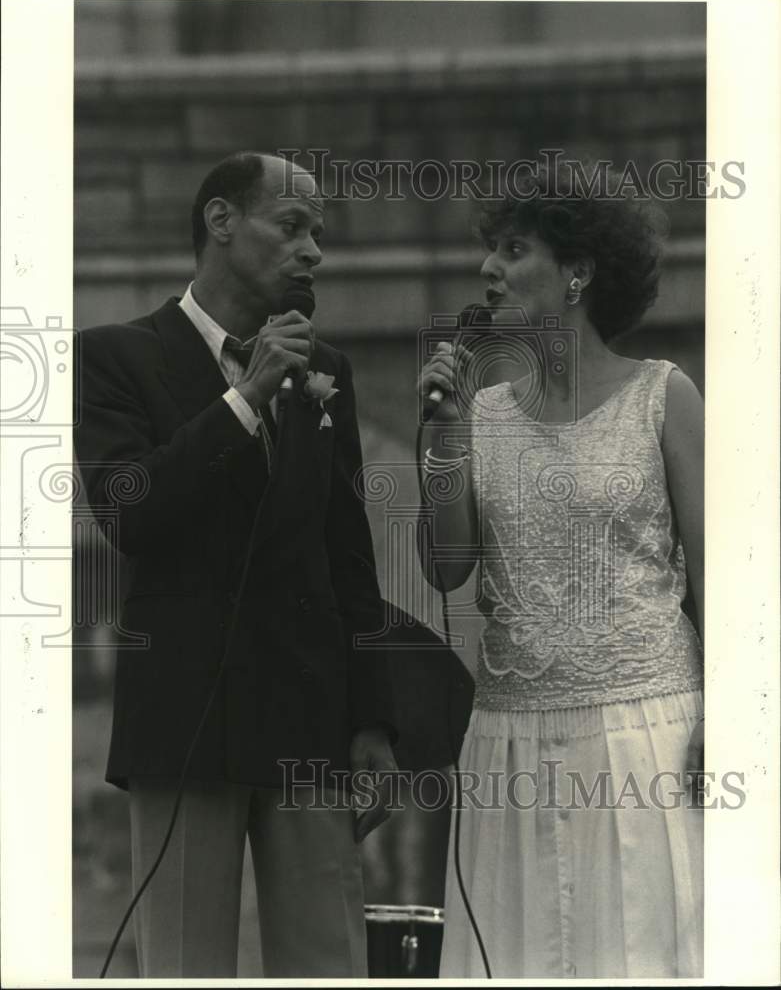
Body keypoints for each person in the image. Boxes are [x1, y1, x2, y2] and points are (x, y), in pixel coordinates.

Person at [74, 151, 398, 978]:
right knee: (184, 964)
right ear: (221, 222)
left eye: (318, 235)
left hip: (306, 719)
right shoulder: (116, 356)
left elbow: (346, 555)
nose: (314, 251)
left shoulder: (328, 372)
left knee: (331, 960)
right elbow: (128, 512)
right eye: (291, 227)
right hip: (184, 721)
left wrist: (371, 720)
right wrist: (243, 401)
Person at [416, 165, 704, 978]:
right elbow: (444, 571)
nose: (488, 271)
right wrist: (441, 435)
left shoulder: (663, 396)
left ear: (577, 272)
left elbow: (725, 577)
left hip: (644, 735)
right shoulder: (482, 413)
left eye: (514, 250)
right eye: (489, 251)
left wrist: (733, 715)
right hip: (507, 741)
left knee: (640, 951)